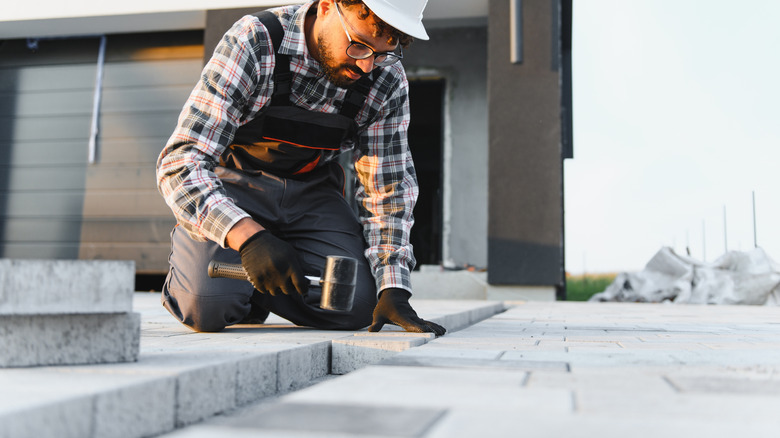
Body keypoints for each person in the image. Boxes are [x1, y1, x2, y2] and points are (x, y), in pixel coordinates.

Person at [156, 0, 446, 336]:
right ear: (326, 6)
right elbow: (181, 160)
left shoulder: (386, 79)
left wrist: (393, 286)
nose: (367, 66)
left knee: (357, 305)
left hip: (311, 196)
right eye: (358, 45)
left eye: (381, 53)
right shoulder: (255, 40)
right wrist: (248, 238)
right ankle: (226, 283)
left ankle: (261, 285)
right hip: (234, 189)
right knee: (205, 308)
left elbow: (388, 188)